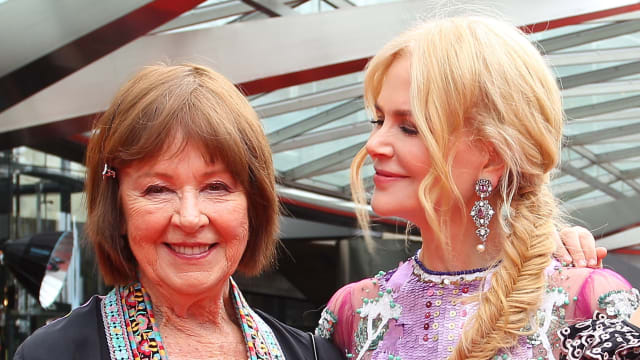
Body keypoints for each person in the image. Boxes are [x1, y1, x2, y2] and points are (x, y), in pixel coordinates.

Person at [315, 16, 640, 360]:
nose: (375, 144)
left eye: (410, 127)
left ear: (491, 156)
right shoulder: (353, 311)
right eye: (378, 121)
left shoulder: (585, 299)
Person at [15, 63, 343, 360]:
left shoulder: (315, 355)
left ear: (253, 206)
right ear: (117, 209)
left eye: (216, 187)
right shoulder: (53, 354)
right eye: (158, 189)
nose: (189, 217)